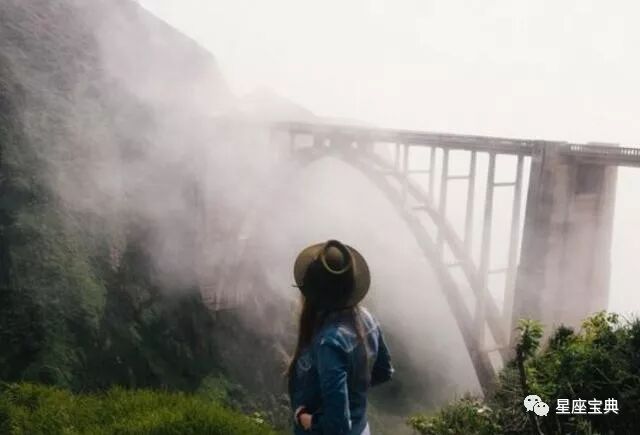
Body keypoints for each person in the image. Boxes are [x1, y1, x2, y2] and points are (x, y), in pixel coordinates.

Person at [287, 239, 394, 435]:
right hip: (361, 428)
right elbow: (384, 371)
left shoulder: (328, 343)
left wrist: (305, 419)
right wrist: (353, 391)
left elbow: (338, 426)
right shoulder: (367, 319)